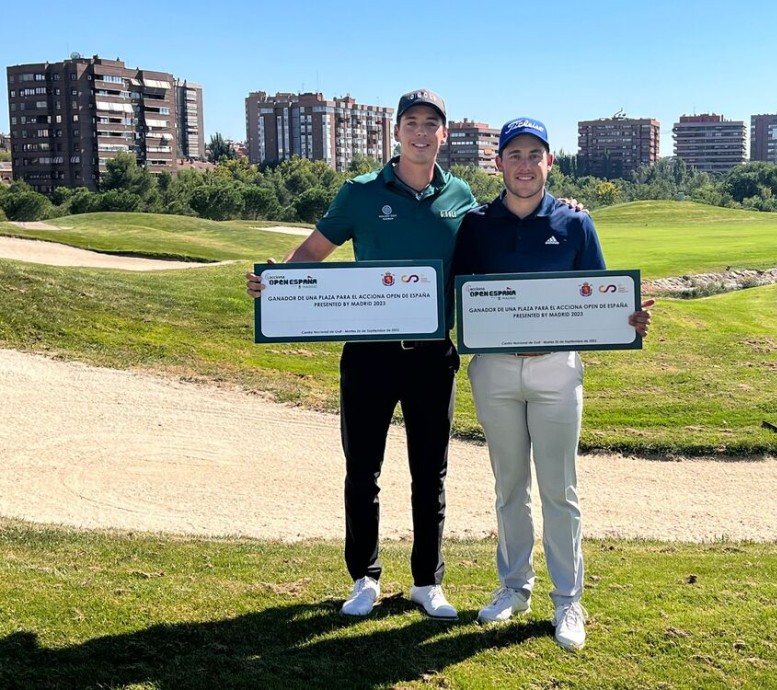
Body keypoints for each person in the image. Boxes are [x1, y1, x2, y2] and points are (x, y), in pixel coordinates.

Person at [246, 89, 476, 620]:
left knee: (430, 472)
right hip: (369, 355)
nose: (421, 132)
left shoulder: (460, 194)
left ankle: (426, 581)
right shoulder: (360, 192)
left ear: (444, 133)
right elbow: (311, 252)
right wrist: (274, 284)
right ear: (396, 132)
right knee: (363, 470)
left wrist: (566, 207)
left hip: (432, 356)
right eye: (412, 122)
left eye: (431, 124)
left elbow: (489, 251)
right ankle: (365, 577)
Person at [453, 117, 654, 650]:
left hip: (557, 368)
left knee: (559, 489)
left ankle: (568, 600)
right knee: (508, 486)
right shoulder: (475, 224)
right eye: (513, 154)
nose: (524, 164)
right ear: (498, 163)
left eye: (534, 155)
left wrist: (626, 319)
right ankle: (513, 586)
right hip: (494, 368)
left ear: (550, 162)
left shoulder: (574, 223)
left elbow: (603, 296)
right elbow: (458, 296)